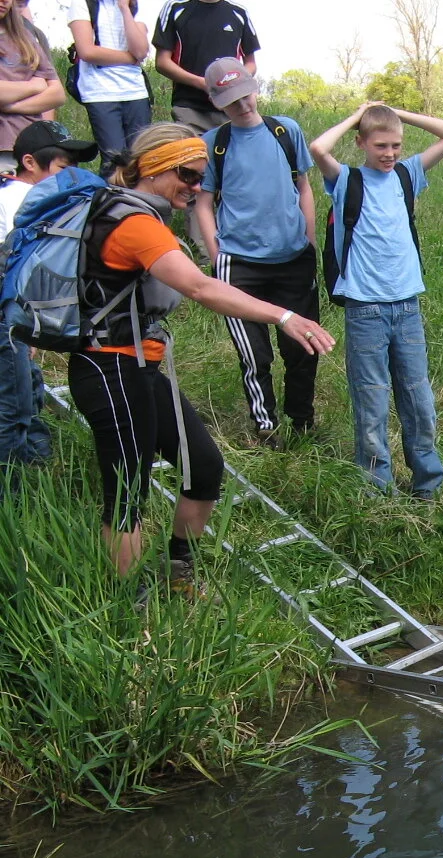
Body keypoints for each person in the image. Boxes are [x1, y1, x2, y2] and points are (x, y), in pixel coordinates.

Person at [61, 123, 333, 586]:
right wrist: (284, 317)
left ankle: (178, 572)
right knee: (128, 493)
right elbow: (200, 286)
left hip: (139, 367)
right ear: (153, 168)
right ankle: (128, 607)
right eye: (187, 175)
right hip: (108, 365)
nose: (195, 187)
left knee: (204, 466)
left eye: (200, 178)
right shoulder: (132, 222)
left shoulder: (138, 210)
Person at [309, 103, 443, 498]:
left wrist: (398, 113)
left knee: (418, 399)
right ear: (361, 143)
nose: (389, 153)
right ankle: (378, 492)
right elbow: (318, 148)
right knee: (371, 401)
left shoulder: (408, 175)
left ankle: (428, 487)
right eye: (379, 145)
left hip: (407, 306)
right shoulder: (347, 180)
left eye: (395, 145)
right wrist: (357, 114)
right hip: (365, 310)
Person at [194, 58, 317, 444]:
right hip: (239, 264)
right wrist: (217, 254)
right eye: (231, 100)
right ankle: (266, 426)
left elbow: (304, 187)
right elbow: (203, 202)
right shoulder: (214, 144)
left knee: (302, 348)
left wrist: (309, 241)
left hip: (293, 258)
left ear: (254, 87)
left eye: (245, 95)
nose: (243, 105)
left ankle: (303, 422)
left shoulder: (285, 130)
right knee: (254, 354)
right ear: (216, 101)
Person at [0, 121, 96, 484]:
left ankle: (38, 483)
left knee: (29, 395)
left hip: (19, 322)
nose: (71, 175)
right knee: (13, 408)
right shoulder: (17, 198)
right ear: (29, 162)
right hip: (9, 323)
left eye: (75, 166)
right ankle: (12, 501)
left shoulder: (43, 200)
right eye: (61, 166)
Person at [68, 0, 153, 170]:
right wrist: (131, 58)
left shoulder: (133, 5)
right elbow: (87, 51)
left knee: (141, 158)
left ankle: (137, 196)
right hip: (100, 93)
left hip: (135, 92)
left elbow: (141, 50)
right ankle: (113, 196)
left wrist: (124, 9)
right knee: (113, 160)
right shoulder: (82, 4)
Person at [151, 0, 257, 133]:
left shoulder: (239, 11)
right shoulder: (175, 7)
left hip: (232, 108)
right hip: (190, 108)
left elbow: (251, 63)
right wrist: (203, 83)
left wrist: (233, 84)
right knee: (195, 153)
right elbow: (162, 62)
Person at [0, 0, 64, 174]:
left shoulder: (25, 38)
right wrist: (34, 86)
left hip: (31, 148)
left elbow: (57, 94)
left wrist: (9, 105)